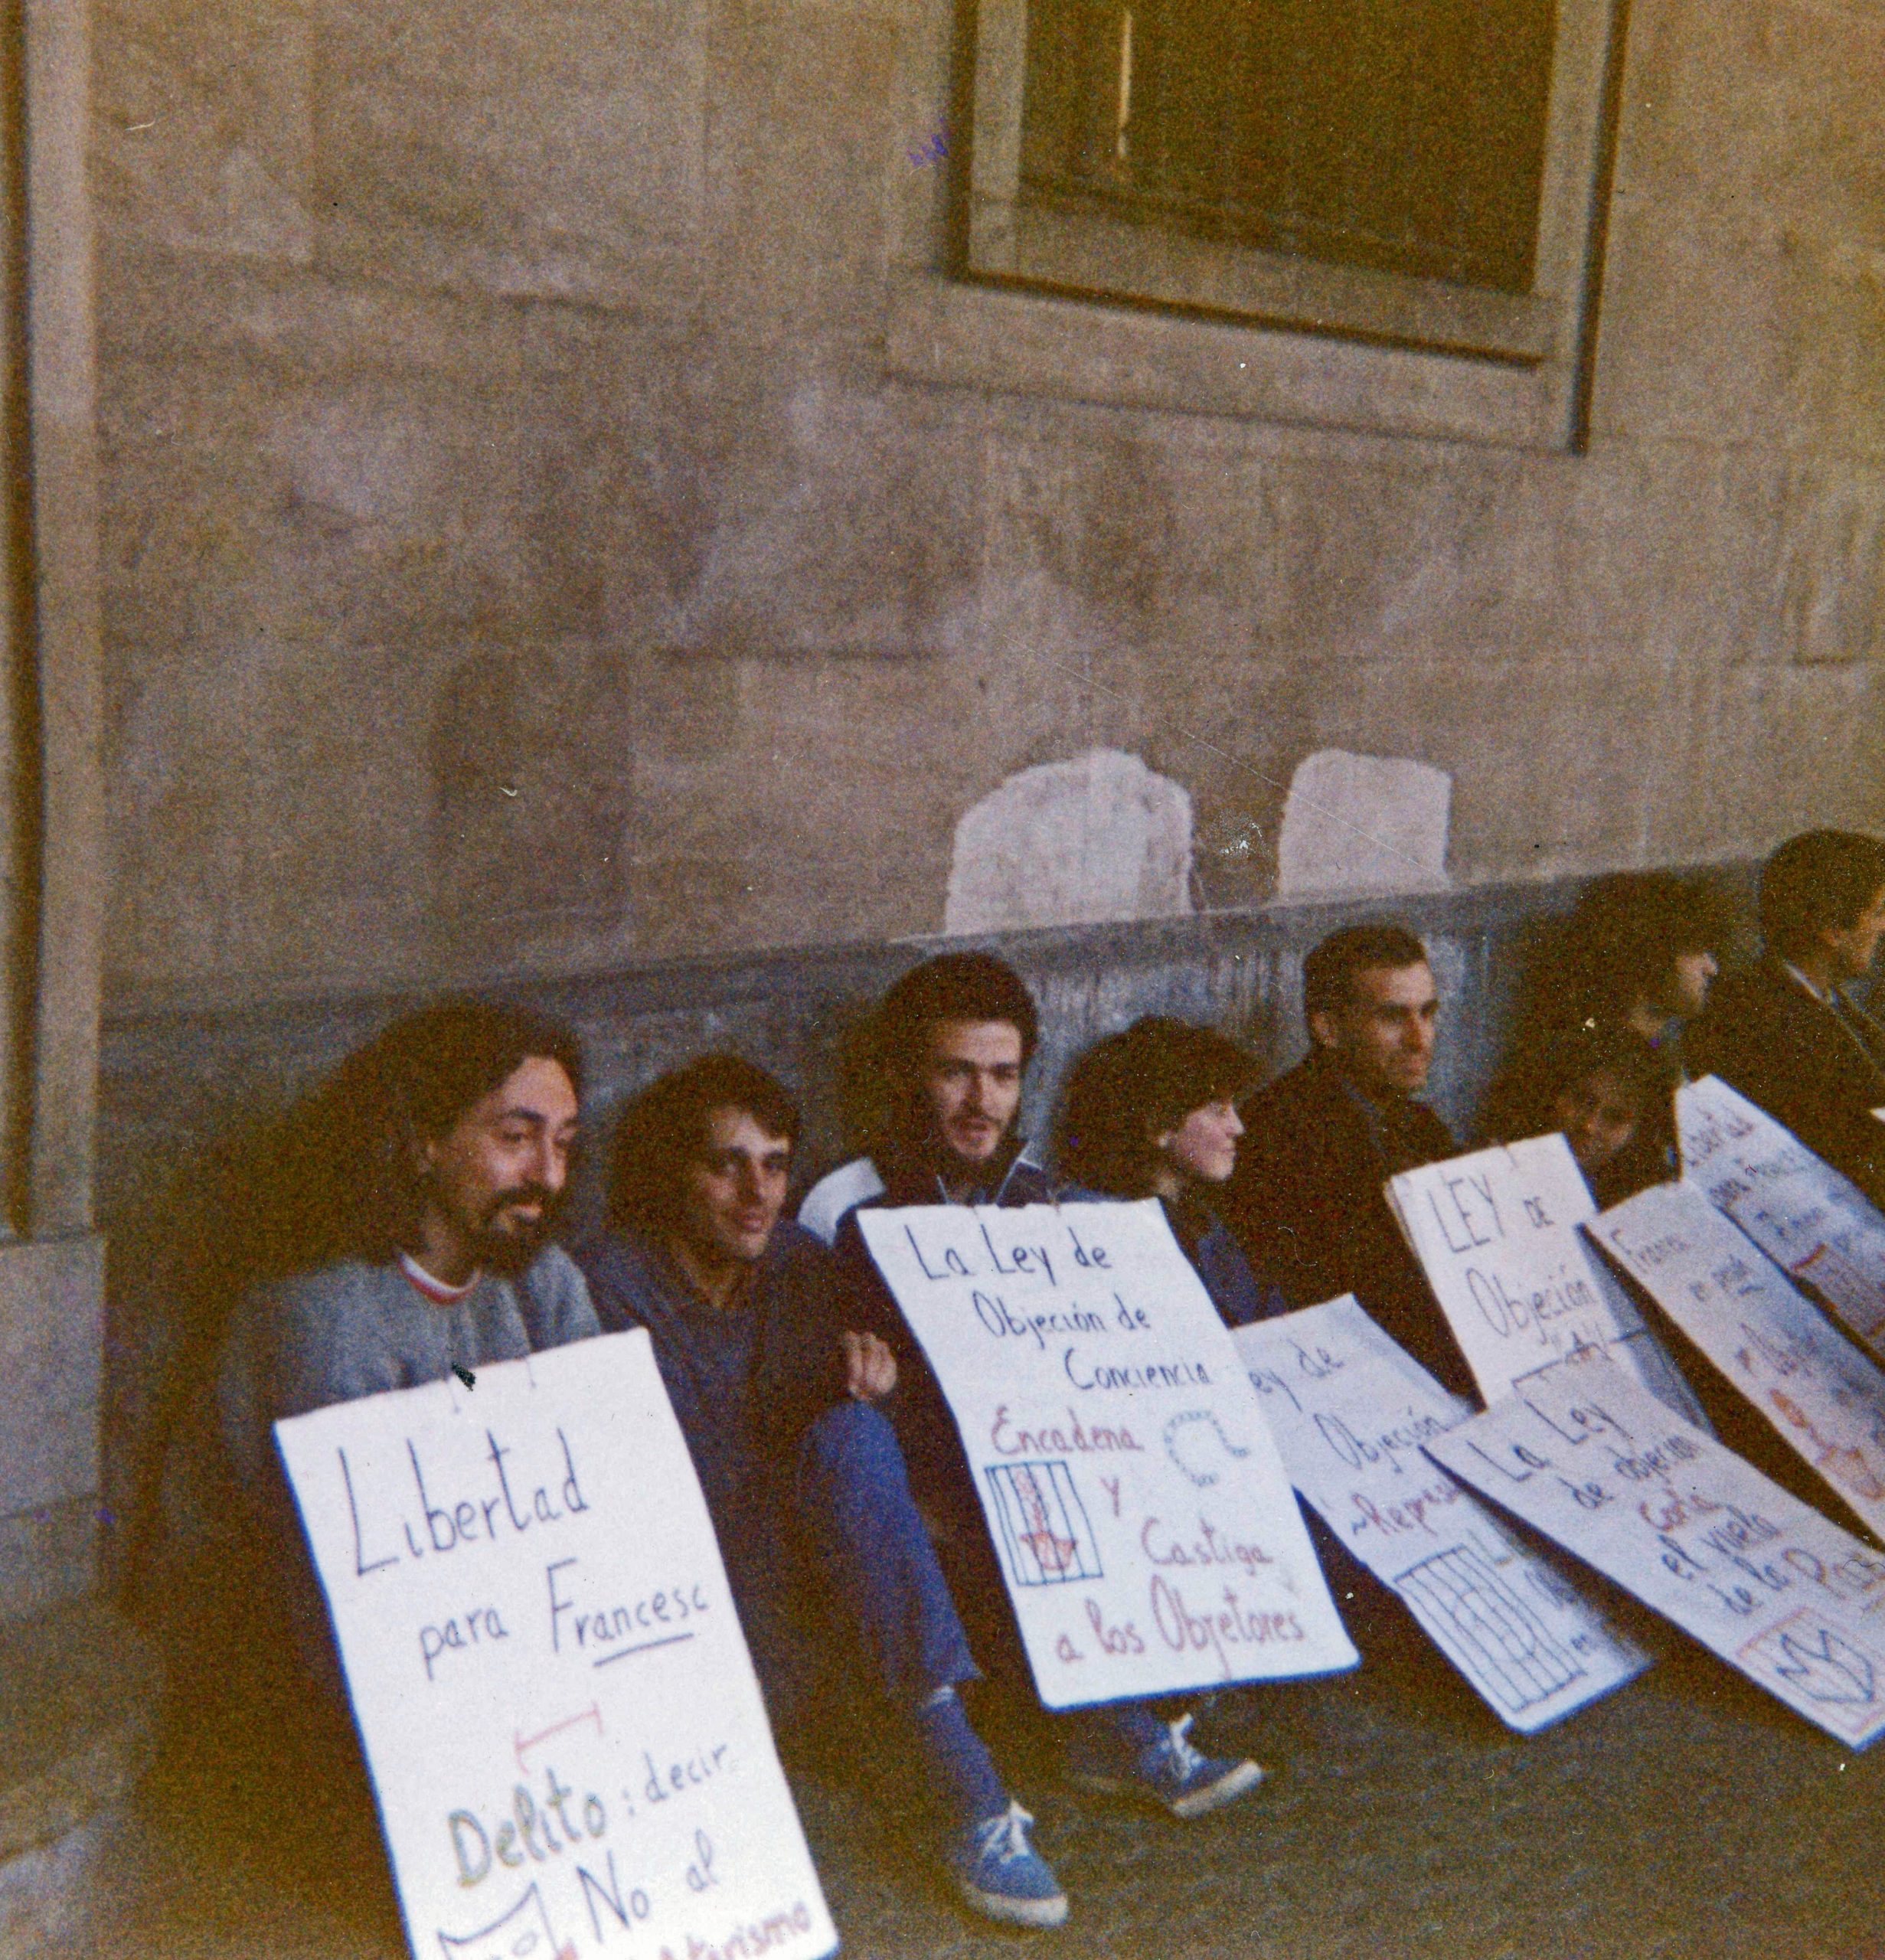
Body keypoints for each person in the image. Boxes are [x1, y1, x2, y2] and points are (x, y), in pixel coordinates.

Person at [575, 1054, 1068, 1929]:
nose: (755, 1192)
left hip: (807, 1600)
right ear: (671, 1174)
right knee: (842, 1453)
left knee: (857, 1435)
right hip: (683, 1615)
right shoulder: (612, 1281)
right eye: (724, 1164)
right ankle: (952, 1777)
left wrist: (869, 1395)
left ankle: (961, 1780)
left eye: (773, 1164)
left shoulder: (799, 1261)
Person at [825, 954, 1265, 1828]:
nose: (979, 1101)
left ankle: (1115, 1721)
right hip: (921, 1484)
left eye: (1002, 1074)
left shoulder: (1047, 1202)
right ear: (908, 1077)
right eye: (954, 1072)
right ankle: (1063, 1742)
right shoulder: (847, 1204)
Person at [155, 998, 600, 1859]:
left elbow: (601, 1476)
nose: (548, 1173)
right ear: (421, 1143)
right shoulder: (324, 1314)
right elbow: (365, 1588)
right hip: (304, 1684)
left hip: (493, 1660)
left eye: (567, 1142)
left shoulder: (540, 1281)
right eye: (516, 1136)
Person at [1220, 923, 1472, 1396]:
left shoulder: (1419, 1125)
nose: (1421, 1040)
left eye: (1427, 1013)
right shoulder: (1272, 1140)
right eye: (1394, 1018)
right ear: (1328, 1028)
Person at [1690, 829, 1885, 1207]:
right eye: (1877, 913)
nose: (1883, 928)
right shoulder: (1751, 1016)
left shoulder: (1833, 1003)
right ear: (1832, 931)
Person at [1052, 1015, 1286, 1327]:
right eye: (1218, 1111)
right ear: (1158, 1125)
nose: (1238, 1127)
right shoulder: (1093, 1222)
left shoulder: (1201, 1221)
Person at [1478, 1026, 1668, 1209]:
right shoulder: (1488, 1167)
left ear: (1637, 1132)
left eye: (1615, 1118)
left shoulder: (1641, 1207)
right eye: (1581, 1100)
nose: (1589, 1125)